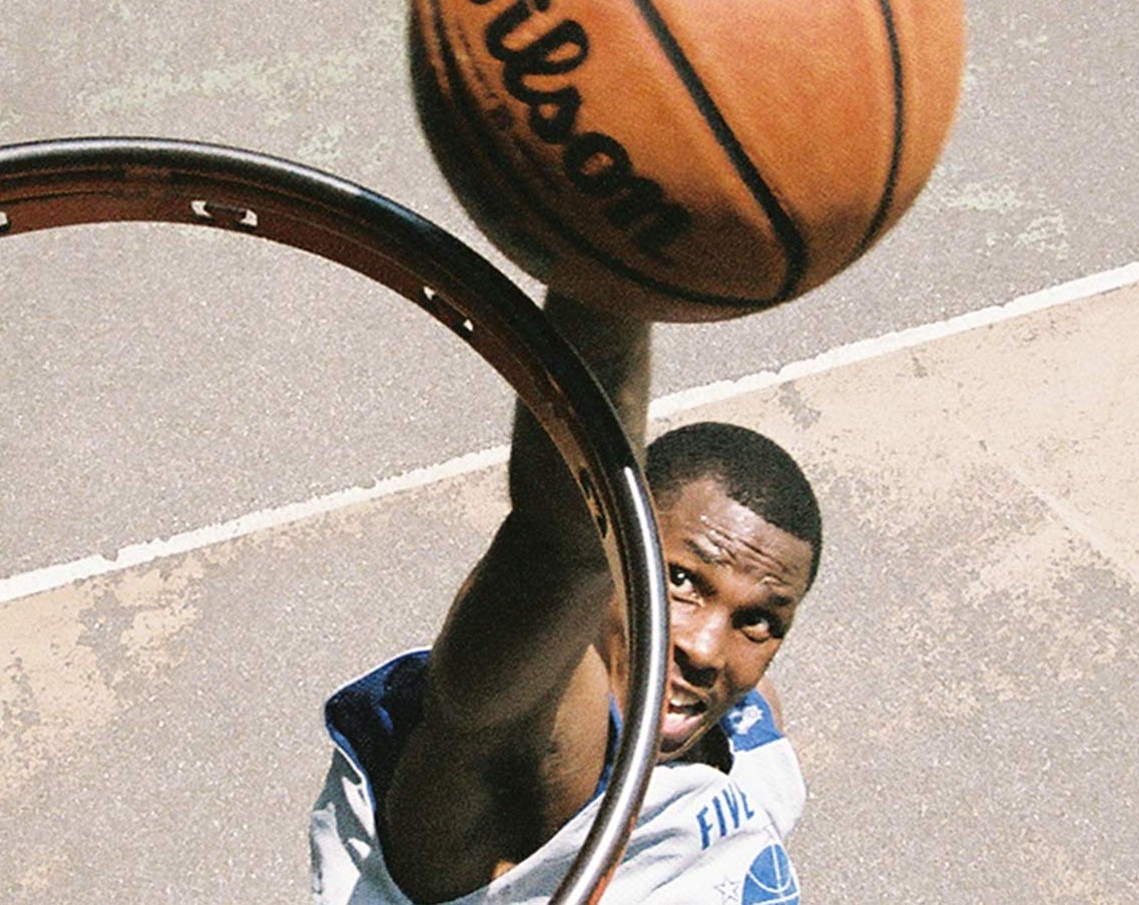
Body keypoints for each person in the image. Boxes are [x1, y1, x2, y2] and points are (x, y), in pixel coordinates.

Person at [310, 292, 820, 904]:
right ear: (617, 560)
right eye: (681, 580)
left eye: (758, 620)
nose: (706, 647)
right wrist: (608, 283)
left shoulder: (747, 724)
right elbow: (560, 544)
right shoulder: (529, 754)